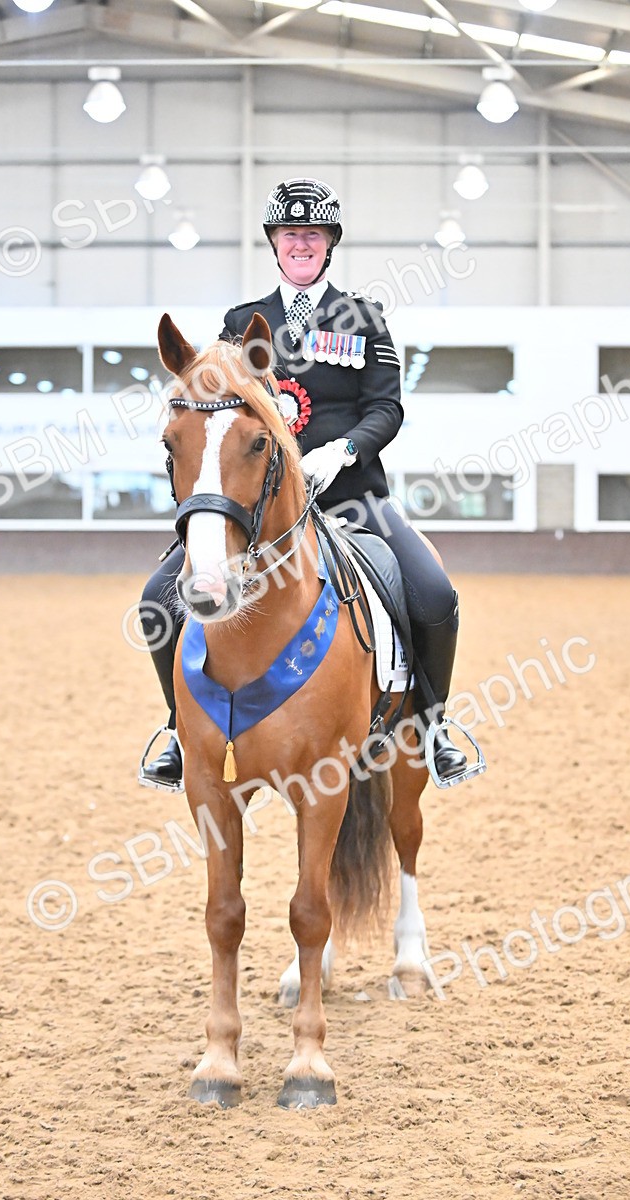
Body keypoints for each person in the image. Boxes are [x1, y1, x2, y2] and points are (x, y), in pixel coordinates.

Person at [139, 176, 467, 790]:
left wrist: (343, 450)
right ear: (274, 242)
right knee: (157, 599)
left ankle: (433, 724)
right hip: (259, 510)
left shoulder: (365, 318)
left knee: (433, 595)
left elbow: (387, 407)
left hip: (353, 496)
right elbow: (219, 413)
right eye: (290, 233)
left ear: (330, 243)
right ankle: (178, 731)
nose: (301, 243)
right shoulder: (242, 323)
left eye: (313, 234)